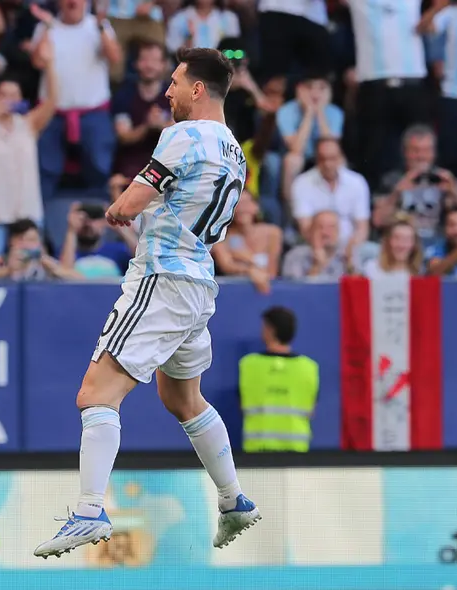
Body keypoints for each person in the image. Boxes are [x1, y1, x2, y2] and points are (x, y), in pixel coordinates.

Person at [33, 47, 260, 559]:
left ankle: (89, 511)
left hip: (162, 277)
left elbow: (129, 205)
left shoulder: (182, 136)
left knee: (95, 395)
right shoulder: (233, 150)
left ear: (197, 89)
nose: (168, 91)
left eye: (175, 82)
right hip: (200, 282)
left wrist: (115, 208)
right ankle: (233, 499)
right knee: (182, 400)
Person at [238, 306, 319, 453]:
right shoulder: (309, 367)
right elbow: (312, 409)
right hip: (297, 452)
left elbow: (242, 404)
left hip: (257, 452)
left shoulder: (249, 365)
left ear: (270, 329)